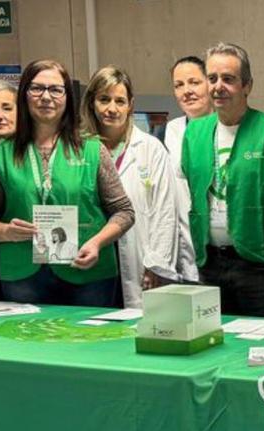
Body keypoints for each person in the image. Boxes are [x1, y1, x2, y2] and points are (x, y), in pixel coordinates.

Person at [0, 59, 135, 307]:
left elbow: (124, 212)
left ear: (67, 97)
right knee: (28, 344)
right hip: (21, 273)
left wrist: (96, 243)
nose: (46, 97)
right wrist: (6, 232)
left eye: (56, 89)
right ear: (24, 95)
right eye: (37, 88)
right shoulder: (2, 154)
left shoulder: (92, 150)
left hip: (87, 271)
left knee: (88, 343)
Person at [178, 42, 264, 316]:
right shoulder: (194, 133)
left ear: (247, 85)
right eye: (212, 79)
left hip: (258, 264)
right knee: (214, 343)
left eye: (228, 79)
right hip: (209, 262)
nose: (218, 86)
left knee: (260, 343)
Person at [80, 65, 195, 308]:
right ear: (91, 102)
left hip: (138, 257)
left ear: (130, 105)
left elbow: (165, 212)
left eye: (120, 101)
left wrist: (157, 264)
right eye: (104, 99)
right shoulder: (77, 148)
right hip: (92, 261)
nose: (112, 108)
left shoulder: (150, 148)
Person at [162, 56, 212, 169]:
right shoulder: (173, 128)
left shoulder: (228, 124)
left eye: (194, 82)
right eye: (178, 85)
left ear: (210, 84)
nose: (186, 91)